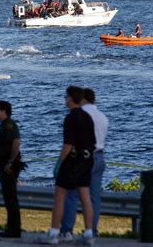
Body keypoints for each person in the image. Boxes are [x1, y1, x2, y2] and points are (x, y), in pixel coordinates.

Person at [38, 86, 96, 246]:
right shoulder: (87, 117)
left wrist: (59, 162)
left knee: (60, 196)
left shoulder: (70, 118)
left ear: (71, 99)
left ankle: (54, 233)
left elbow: (68, 145)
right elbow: (93, 142)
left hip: (72, 161)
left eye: (66, 97)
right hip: (87, 160)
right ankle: (89, 234)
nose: (65, 100)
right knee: (85, 198)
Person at [59, 88, 109, 242]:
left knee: (71, 194)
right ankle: (91, 231)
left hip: (81, 157)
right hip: (99, 156)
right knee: (93, 197)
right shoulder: (103, 117)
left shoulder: (81, 116)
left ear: (83, 99)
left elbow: (74, 139)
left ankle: (66, 230)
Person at [0, 100, 25, 238]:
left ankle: (14, 229)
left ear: (3, 111)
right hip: (4, 165)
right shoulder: (3, 126)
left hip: (9, 166)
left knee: (11, 197)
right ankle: (11, 227)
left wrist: (11, 162)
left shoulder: (9, 125)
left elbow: (16, 142)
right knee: (8, 197)